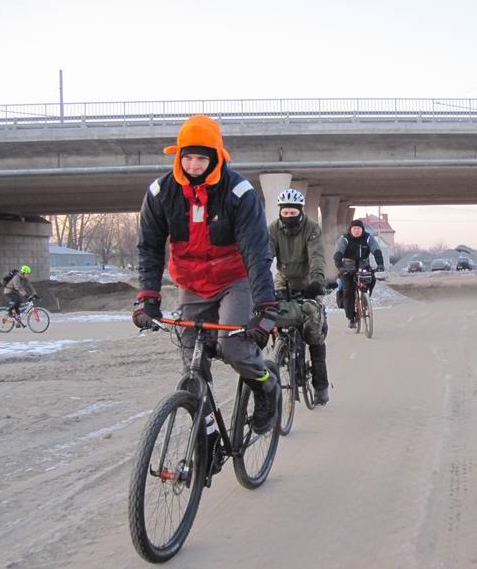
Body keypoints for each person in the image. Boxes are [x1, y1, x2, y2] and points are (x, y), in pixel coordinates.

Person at [133, 114, 279, 435]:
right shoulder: (161, 192)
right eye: (188, 157)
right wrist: (148, 297)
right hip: (191, 284)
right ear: (178, 156)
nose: (194, 165)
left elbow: (256, 251)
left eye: (202, 158)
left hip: (234, 280)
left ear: (215, 158)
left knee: (233, 347)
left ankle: (266, 387)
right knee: (191, 364)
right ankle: (208, 434)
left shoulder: (239, 192)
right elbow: (150, 247)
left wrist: (265, 307)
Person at [268, 188, 331, 404]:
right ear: (280, 212)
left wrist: (316, 281)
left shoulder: (312, 228)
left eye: (292, 213)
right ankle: (282, 349)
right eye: (285, 213)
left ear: (300, 212)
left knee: (314, 331)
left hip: (307, 282)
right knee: (271, 313)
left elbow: (317, 256)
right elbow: (264, 256)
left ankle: (321, 385)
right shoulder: (273, 229)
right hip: (283, 280)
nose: (289, 217)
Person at [333, 219, 385, 329]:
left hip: (363, 266)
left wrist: (380, 264)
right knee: (348, 292)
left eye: (359, 229)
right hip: (348, 268)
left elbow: (376, 249)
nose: (356, 231)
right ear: (350, 230)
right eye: (354, 229)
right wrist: (340, 268)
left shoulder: (368, 238)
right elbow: (338, 253)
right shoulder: (344, 239)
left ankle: (365, 299)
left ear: (362, 230)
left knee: (372, 279)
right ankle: (351, 318)